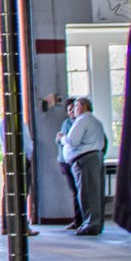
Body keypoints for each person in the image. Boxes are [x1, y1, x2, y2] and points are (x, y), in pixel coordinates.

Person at [62, 97, 107, 236]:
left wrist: (62, 138)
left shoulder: (82, 120)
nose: (74, 110)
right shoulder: (96, 121)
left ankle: (90, 224)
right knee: (95, 193)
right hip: (95, 157)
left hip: (85, 160)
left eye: (76, 106)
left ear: (83, 107)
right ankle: (96, 223)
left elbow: (72, 141)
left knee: (87, 193)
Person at [0, 115, 39, 236]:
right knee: (21, 192)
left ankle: (6, 225)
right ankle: (21, 226)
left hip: (7, 157)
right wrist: (29, 156)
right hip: (20, 157)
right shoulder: (19, 124)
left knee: (8, 191)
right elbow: (26, 143)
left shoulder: (2, 124)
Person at [55, 98, 83, 229]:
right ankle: (78, 220)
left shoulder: (82, 123)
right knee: (75, 191)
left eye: (73, 108)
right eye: (69, 110)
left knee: (81, 191)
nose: (72, 112)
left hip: (78, 160)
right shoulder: (66, 123)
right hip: (65, 162)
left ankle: (82, 220)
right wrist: (60, 139)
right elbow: (60, 140)